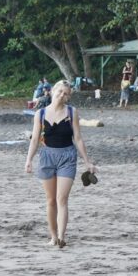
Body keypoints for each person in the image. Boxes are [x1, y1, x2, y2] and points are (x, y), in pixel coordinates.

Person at [24, 80, 96, 248]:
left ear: (68, 97)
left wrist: (87, 161)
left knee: (61, 198)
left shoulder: (72, 112)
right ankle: (53, 237)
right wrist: (29, 160)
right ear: (52, 91)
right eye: (60, 91)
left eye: (66, 93)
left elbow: (78, 138)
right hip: (47, 156)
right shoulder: (40, 114)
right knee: (50, 200)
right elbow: (35, 139)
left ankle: (62, 238)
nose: (62, 95)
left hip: (67, 157)